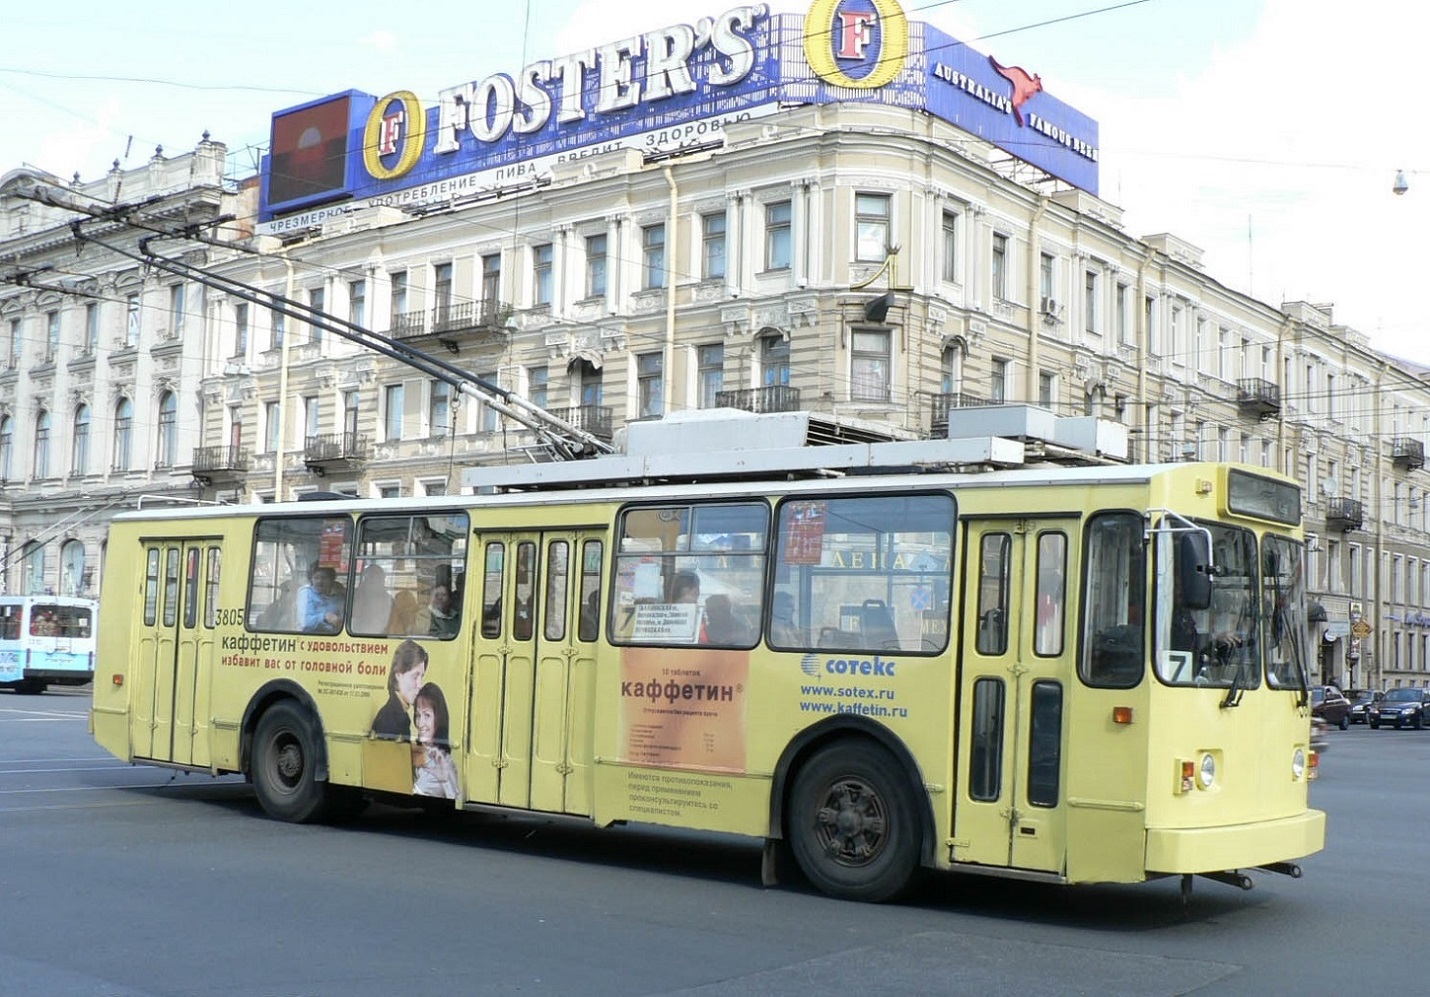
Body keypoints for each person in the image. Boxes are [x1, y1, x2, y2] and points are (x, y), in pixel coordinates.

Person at [371, 639, 428, 741]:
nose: (420, 685)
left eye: (421, 677)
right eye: (415, 677)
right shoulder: (389, 719)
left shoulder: (400, 715)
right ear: (398, 675)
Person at [411, 681, 458, 798]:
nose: (420, 724)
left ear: (438, 719)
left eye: (427, 715)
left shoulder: (445, 762)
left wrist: (444, 779)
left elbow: (456, 800)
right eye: (418, 715)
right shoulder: (417, 752)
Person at [350, 563, 393, 634]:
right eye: (372, 578)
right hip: (360, 636)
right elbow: (354, 615)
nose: (377, 582)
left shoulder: (388, 599)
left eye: (379, 578)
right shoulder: (358, 595)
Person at [299, 564, 344, 633]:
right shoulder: (307, 593)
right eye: (316, 578)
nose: (319, 581)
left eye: (324, 578)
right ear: (311, 579)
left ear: (331, 580)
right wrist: (324, 617)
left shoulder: (337, 595)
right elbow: (305, 621)